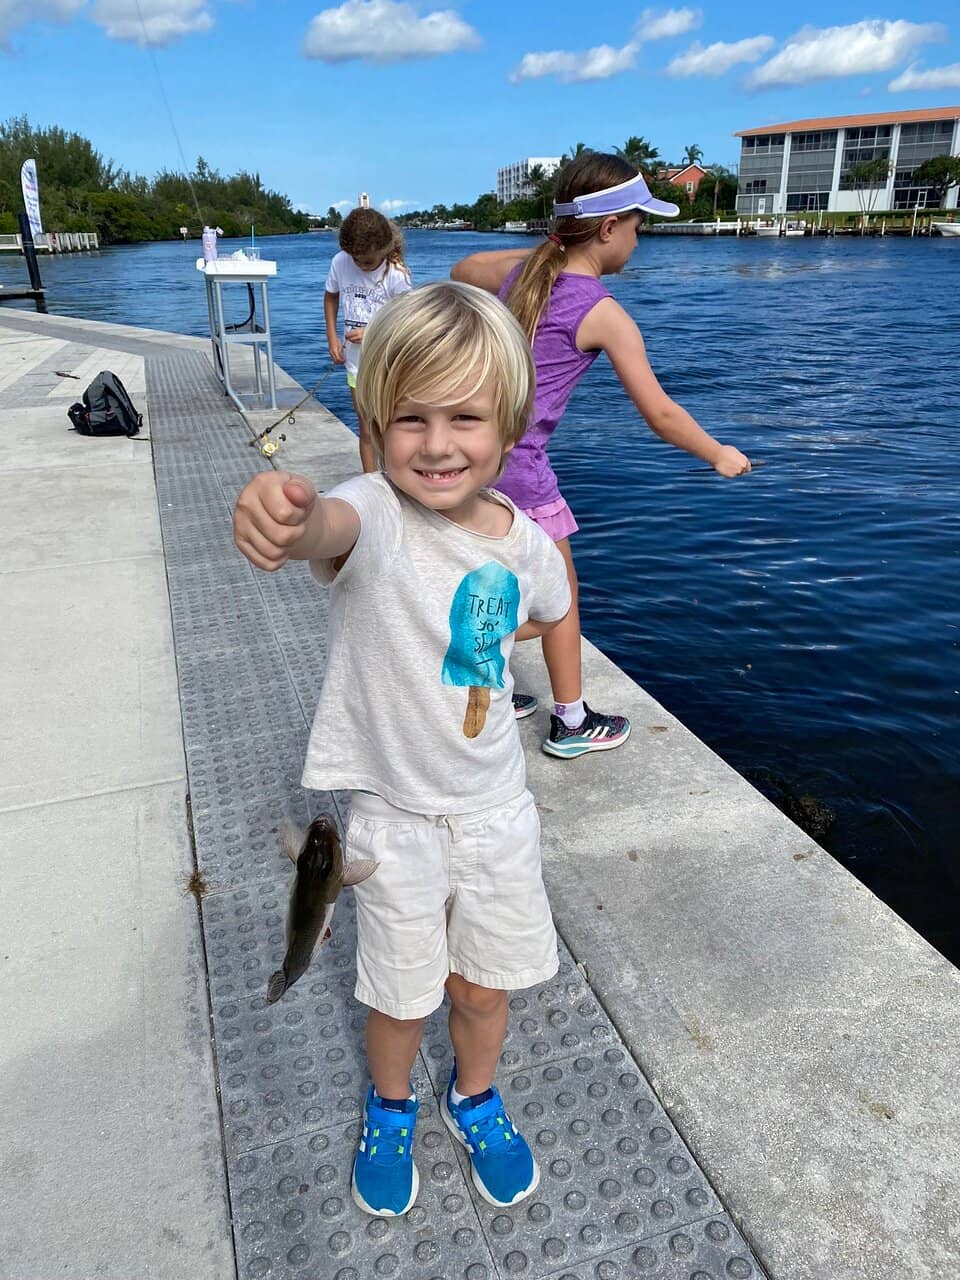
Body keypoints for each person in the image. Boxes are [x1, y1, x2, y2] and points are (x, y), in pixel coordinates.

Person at [233, 282, 571, 1218]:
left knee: (484, 986)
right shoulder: (370, 513)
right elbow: (323, 528)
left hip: (498, 811)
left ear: (508, 429)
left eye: (465, 416)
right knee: (398, 991)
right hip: (393, 822)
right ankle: (389, 1107)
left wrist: (493, 659)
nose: (436, 442)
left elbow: (548, 610)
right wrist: (286, 515)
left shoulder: (529, 543)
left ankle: (475, 1095)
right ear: (375, 428)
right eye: (409, 417)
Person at [451, 153, 752, 760]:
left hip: (471, 455)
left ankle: (493, 681)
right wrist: (719, 453)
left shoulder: (519, 276)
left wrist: (544, 260)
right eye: (638, 227)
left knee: (490, 576)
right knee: (560, 596)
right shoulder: (602, 313)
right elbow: (661, 413)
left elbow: (463, 267)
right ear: (610, 228)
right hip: (522, 467)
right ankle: (570, 720)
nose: (639, 241)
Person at [325, 207, 412, 473]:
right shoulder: (340, 262)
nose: (361, 265)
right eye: (357, 260)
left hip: (388, 365)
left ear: (385, 250)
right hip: (356, 364)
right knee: (366, 429)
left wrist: (371, 330)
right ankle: (372, 484)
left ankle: (398, 481)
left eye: (368, 261)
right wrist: (332, 338)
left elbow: (408, 316)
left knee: (390, 427)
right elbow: (331, 296)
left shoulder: (396, 274)